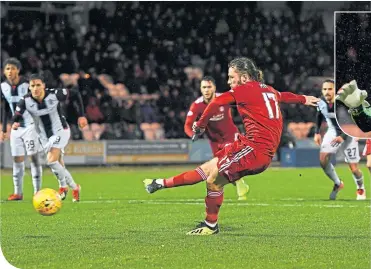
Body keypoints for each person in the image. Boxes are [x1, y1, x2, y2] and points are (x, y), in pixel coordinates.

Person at [143, 57, 320, 235]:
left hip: (254, 151)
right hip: (250, 146)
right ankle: (159, 184)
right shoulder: (269, 90)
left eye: (231, 77)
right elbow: (285, 96)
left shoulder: (244, 90)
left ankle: (210, 225)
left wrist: (202, 125)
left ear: (243, 78)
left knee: (213, 181)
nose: (228, 82)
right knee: (207, 169)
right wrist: (303, 99)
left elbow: (216, 102)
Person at [12, 74, 88, 202]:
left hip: (60, 131)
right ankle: (75, 187)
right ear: (29, 88)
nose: (35, 88)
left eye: (38, 85)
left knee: (51, 161)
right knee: (58, 165)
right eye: (32, 86)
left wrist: (81, 115)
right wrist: (15, 122)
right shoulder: (25, 100)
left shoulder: (54, 94)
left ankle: (63, 187)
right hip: (44, 137)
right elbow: (17, 114)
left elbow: (75, 94)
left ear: (43, 86)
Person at [184, 76, 249, 200]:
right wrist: (193, 134)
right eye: (204, 87)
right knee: (221, 168)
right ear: (200, 89)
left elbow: (242, 100)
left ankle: (240, 187)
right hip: (214, 140)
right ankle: (239, 185)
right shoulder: (197, 105)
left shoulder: (224, 98)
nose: (207, 90)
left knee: (227, 162)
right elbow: (187, 125)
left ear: (214, 88)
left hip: (230, 136)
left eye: (209, 87)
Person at [314, 79, 365, 200]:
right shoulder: (321, 102)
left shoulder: (344, 103)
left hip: (348, 133)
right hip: (332, 131)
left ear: (335, 91)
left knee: (354, 168)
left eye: (330, 89)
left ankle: (361, 187)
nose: (327, 92)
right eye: (325, 89)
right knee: (323, 159)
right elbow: (319, 115)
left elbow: (352, 122)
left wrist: (342, 137)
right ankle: (338, 183)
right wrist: (317, 132)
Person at [0, 58, 43, 200]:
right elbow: (5, 107)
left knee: (33, 159)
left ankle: (37, 192)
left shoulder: (28, 84)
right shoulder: (3, 86)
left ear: (18, 70)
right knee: (17, 160)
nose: (9, 71)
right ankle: (18, 193)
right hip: (15, 129)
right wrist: (4, 128)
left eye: (12, 68)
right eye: (7, 69)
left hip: (31, 126)